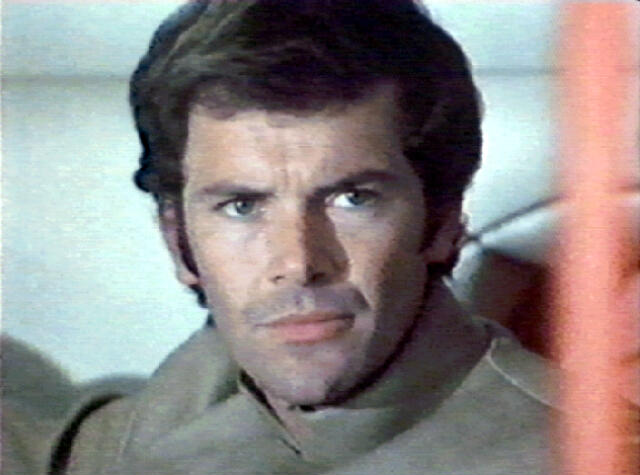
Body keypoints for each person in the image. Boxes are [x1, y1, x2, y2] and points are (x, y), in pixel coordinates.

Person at [50, 1, 561, 473]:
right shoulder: (119, 443)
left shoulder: (572, 452)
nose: (298, 261)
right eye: (243, 207)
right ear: (177, 242)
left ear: (443, 221)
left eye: (353, 199)